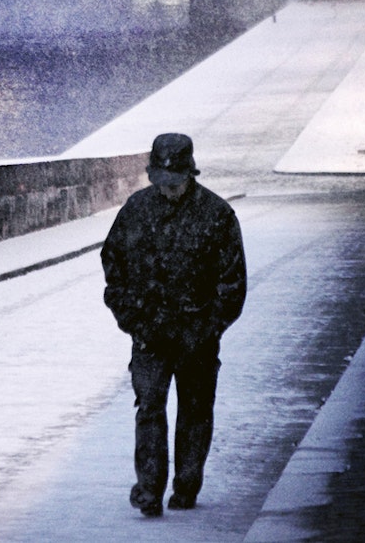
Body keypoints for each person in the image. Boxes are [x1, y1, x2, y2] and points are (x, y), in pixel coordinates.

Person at [102, 132, 246, 518]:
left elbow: (232, 285)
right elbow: (113, 269)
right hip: (149, 335)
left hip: (196, 337)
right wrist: (133, 320)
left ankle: (186, 485)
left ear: (189, 175)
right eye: (160, 183)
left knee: (195, 411)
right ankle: (149, 490)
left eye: (174, 182)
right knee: (150, 407)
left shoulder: (217, 215)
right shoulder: (135, 211)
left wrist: (208, 328)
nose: (167, 190)